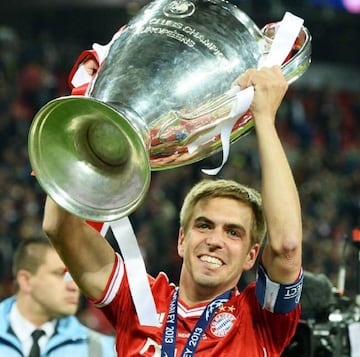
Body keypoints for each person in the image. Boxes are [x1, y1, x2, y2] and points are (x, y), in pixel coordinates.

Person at [42, 65, 303, 356]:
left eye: (233, 232)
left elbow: (286, 247)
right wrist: (91, 110)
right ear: (181, 239)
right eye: (204, 225)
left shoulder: (258, 319)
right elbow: (60, 227)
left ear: (251, 256)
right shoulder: (141, 301)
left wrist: (264, 119)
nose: (215, 240)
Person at [0, 237, 116, 357]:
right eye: (60, 274)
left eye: (75, 276)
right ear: (26, 280)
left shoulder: (102, 350)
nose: (74, 287)